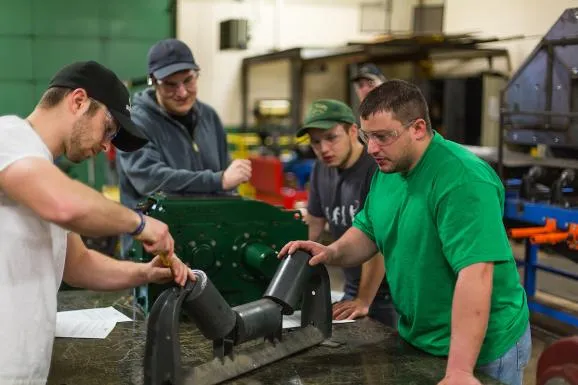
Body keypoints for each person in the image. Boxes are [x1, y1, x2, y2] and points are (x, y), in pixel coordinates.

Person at [279, 79, 531, 385]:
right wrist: (331, 252)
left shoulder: (462, 179)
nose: (371, 148)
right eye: (367, 136)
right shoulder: (390, 170)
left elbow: (476, 274)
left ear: (418, 128)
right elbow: (368, 231)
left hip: (483, 350)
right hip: (421, 336)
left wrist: (461, 370)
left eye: (383, 136)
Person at [0, 60, 194, 384]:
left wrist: (145, 273)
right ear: (78, 101)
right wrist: (140, 223)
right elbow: (65, 205)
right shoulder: (8, 137)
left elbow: (79, 263)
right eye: (109, 129)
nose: (107, 146)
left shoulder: (41, 174)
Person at [116, 38, 252, 257]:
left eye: (188, 80)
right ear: (153, 81)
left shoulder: (209, 117)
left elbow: (225, 178)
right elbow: (150, 179)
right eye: (171, 84)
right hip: (153, 249)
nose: (182, 92)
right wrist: (218, 180)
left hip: (207, 242)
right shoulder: (135, 123)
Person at [296, 99, 396, 326]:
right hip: (352, 286)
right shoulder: (321, 169)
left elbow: (377, 242)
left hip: (388, 293)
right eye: (315, 142)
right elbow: (314, 224)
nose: (323, 149)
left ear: (353, 131)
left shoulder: (376, 169)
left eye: (331, 138)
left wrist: (363, 300)